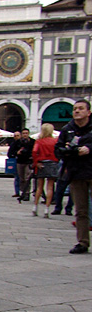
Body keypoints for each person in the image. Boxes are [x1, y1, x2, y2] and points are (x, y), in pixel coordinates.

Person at [55, 99, 92, 254]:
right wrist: (66, 151)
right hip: (76, 173)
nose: (77, 111)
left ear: (89, 112)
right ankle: (82, 242)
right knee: (81, 210)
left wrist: (89, 149)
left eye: (81, 108)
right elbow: (58, 149)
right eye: (75, 109)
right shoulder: (67, 129)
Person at [31, 123, 59, 218]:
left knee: (39, 187)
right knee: (50, 187)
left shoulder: (39, 141)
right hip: (52, 163)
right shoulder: (55, 141)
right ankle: (47, 209)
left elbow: (34, 152)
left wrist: (36, 162)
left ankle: (35, 207)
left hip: (41, 164)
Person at [12, 129, 35, 202]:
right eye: (24, 133)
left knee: (27, 178)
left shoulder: (32, 142)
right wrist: (17, 152)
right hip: (20, 161)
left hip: (28, 161)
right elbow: (12, 152)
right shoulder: (18, 142)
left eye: (26, 133)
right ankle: (23, 192)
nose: (25, 135)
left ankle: (27, 193)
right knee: (21, 178)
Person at [8, 131, 22, 197]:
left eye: (18, 135)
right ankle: (17, 192)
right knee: (17, 177)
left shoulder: (23, 143)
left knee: (24, 178)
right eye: (15, 135)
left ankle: (23, 192)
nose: (16, 137)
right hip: (15, 161)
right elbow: (9, 153)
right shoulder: (13, 144)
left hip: (22, 161)